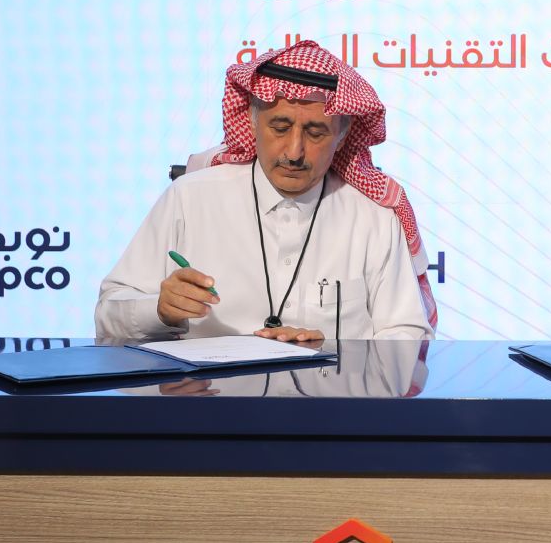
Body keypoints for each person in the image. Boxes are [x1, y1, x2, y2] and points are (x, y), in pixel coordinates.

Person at [96, 41, 436, 346]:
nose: (294, 151)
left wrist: (336, 353)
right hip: (209, 397)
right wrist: (160, 310)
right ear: (252, 120)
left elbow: (409, 337)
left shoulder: (373, 217)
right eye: (280, 127)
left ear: (342, 136)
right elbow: (108, 316)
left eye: (315, 133)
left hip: (331, 397)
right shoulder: (190, 199)